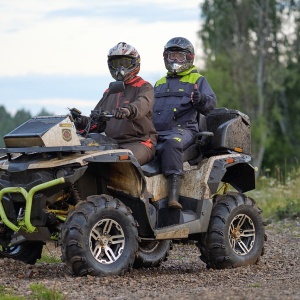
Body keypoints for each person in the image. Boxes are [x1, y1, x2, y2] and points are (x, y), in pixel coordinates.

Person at [153, 37, 217, 209]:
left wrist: (201, 98)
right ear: (165, 57)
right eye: (171, 56)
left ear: (189, 58)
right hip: (158, 131)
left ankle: (173, 196)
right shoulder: (159, 83)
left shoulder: (197, 79)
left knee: (172, 144)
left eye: (179, 57)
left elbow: (210, 105)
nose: (174, 60)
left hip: (184, 130)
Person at [73, 42, 157, 166]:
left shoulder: (144, 87)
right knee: (83, 159)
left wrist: (128, 110)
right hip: (112, 143)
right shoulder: (110, 91)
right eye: (116, 64)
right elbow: (96, 123)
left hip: (140, 142)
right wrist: (80, 121)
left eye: (124, 63)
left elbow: (141, 105)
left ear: (135, 63)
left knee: (122, 162)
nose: (120, 68)